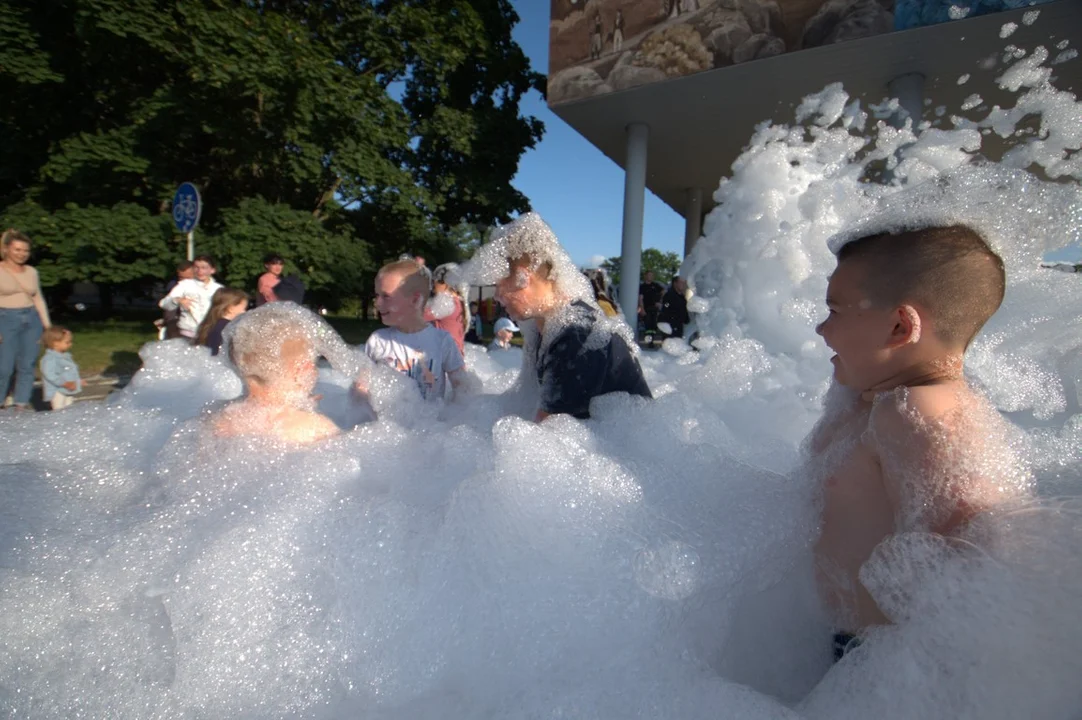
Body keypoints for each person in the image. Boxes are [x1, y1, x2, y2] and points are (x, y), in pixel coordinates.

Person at [807, 224, 1030, 659]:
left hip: (879, 658)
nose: (820, 329)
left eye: (834, 311)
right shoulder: (871, 400)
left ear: (899, 326)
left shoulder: (917, 414)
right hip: (849, 646)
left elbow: (966, 566)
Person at [480, 213, 651, 421]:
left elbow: (547, 434)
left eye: (499, 287)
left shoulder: (577, 333)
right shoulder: (543, 327)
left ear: (524, 277)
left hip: (626, 447)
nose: (497, 297)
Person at [212, 305, 339, 445]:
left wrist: (299, 404)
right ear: (301, 371)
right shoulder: (316, 428)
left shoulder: (221, 419)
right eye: (315, 363)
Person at [364, 259, 466, 402]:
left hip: (430, 422)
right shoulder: (377, 341)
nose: (377, 303)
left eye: (386, 296)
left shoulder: (442, 340)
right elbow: (361, 390)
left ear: (414, 300)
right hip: (388, 423)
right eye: (376, 295)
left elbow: (463, 389)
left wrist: (453, 417)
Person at [0, 229, 51, 410]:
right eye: (17, 250)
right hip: (5, 319)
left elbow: (38, 298)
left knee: (27, 364)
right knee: (4, 367)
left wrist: (47, 326)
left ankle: (20, 405)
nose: (22, 254)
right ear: (6, 249)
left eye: (25, 251)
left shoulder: (31, 271)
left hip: (31, 319)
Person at [158, 255, 223, 339]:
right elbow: (163, 303)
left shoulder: (218, 289)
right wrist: (177, 300)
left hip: (210, 335)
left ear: (212, 270)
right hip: (187, 335)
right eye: (196, 267)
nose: (200, 271)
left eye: (204, 268)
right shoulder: (184, 285)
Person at [424, 263, 469, 356]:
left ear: (445, 283)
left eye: (434, 281)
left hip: (447, 357)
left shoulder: (446, 302)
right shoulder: (459, 301)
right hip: (456, 354)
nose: (432, 286)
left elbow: (417, 317)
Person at [194, 288, 250, 356]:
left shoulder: (212, 323)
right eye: (243, 309)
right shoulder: (227, 328)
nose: (244, 312)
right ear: (230, 308)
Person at [39, 325, 81, 411]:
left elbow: (70, 372)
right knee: (59, 409)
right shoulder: (50, 359)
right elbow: (49, 374)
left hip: (68, 388)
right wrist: (64, 383)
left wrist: (77, 382)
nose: (70, 344)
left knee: (69, 408)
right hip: (57, 390)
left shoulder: (65, 356)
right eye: (67, 342)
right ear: (55, 343)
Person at [157, 261, 195, 340]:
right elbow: (167, 307)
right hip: (175, 327)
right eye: (181, 277)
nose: (183, 281)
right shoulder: (174, 286)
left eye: (187, 278)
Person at [638, 270, 665, 342]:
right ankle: (649, 341)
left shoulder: (655, 285)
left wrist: (660, 301)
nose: (651, 277)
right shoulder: (642, 287)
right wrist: (642, 309)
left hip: (655, 308)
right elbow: (640, 298)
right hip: (646, 308)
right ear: (645, 276)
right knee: (648, 326)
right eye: (649, 275)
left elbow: (663, 291)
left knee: (654, 326)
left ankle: (652, 340)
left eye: (652, 275)